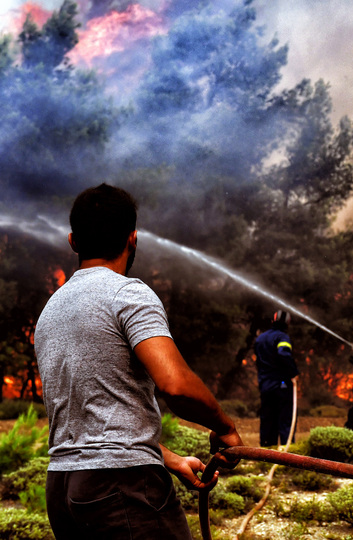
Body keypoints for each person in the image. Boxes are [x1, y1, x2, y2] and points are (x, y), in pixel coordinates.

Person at [34, 183, 244, 540]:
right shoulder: (127, 293)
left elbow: (94, 424)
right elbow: (175, 386)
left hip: (63, 489)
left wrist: (170, 459)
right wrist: (225, 428)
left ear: (73, 241)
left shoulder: (51, 311)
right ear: (133, 239)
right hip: (122, 487)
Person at [254, 309, 299, 446]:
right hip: (282, 384)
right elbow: (283, 354)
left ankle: (267, 452)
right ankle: (288, 455)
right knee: (285, 419)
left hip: (265, 385)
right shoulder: (282, 337)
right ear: (287, 324)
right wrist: (294, 373)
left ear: (272, 321)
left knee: (268, 419)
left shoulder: (260, 338)